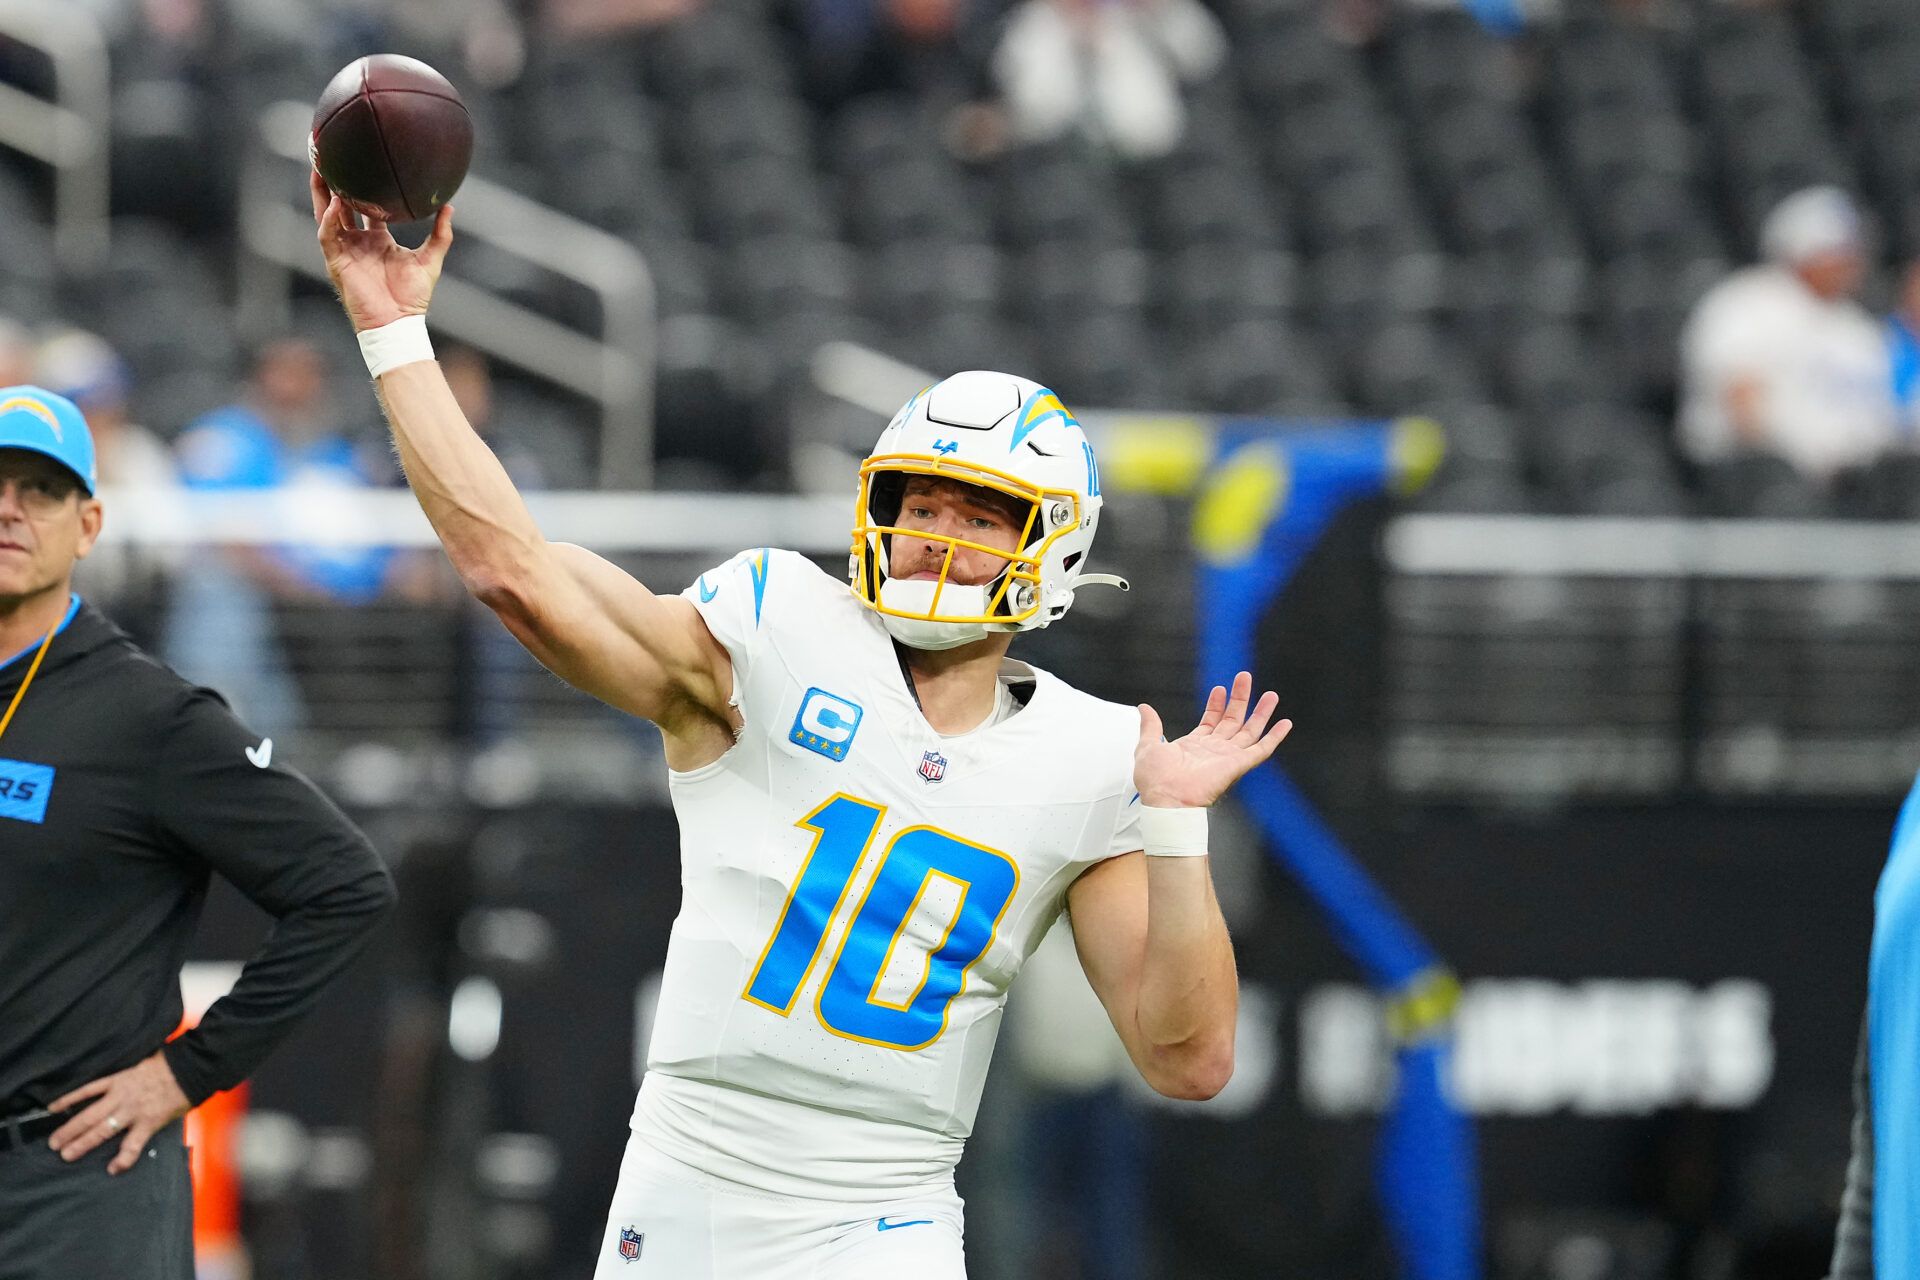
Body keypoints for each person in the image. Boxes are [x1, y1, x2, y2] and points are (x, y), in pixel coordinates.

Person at [312, 170, 1288, 1277]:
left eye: (979, 515)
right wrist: (394, 330)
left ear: (1054, 546)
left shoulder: (1094, 754)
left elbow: (1189, 1057)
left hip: (886, 1203)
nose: (936, 535)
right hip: (688, 1177)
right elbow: (516, 575)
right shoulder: (774, 629)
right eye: (921, 503)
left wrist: (1173, 829)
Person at [0, 386, 396, 1280]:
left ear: (89, 523)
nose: (8, 510)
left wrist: (189, 1072)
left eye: (40, 489)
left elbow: (346, 887)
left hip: (71, 1190)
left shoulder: (151, 718)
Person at [1677, 185, 1896, 485]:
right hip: (1754, 479)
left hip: (1851, 487)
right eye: (1837, 251)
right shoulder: (1748, 302)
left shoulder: (1859, 327)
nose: (1850, 263)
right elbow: (1740, 404)